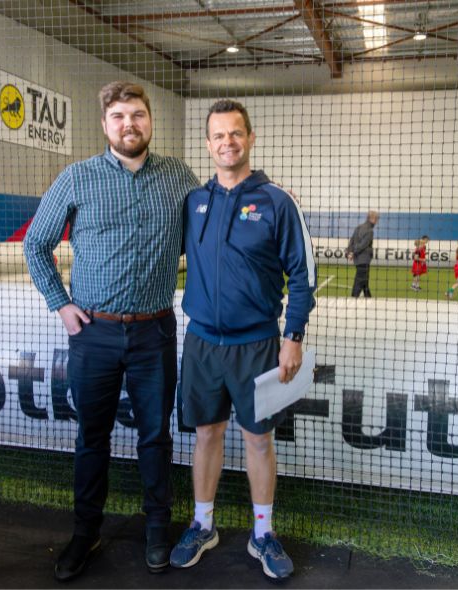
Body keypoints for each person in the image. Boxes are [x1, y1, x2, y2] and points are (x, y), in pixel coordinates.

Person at [23, 81, 199, 581]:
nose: (129, 124)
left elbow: (208, 230)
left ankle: (156, 530)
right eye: (119, 116)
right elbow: (36, 245)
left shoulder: (179, 178)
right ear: (105, 125)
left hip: (154, 334)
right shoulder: (76, 178)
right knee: (91, 438)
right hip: (93, 334)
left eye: (138, 115)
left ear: (150, 121)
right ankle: (85, 532)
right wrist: (61, 305)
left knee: (155, 438)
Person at [169, 99, 316, 580]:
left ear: (250, 139)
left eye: (235, 133)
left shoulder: (277, 201)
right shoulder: (195, 202)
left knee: (258, 439)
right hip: (202, 342)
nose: (226, 142)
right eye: (218, 135)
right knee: (207, 434)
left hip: (257, 345)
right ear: (208, 144)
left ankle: (262, 534)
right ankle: (203, 524)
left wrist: (292, 335)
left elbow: (303, 274)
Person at [346, 210, 379, 297]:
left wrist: (349, 252)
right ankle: (353, 299)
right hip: (364, 260)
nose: (377, 221)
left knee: (364, 281)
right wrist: (352, 252)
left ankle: (368, 297)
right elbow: (363, 245)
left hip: (358, 260)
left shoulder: (358, 227)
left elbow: (352, 241)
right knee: (360, 281)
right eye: (376, 219)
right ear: (372, 218)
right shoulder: (369, 230)